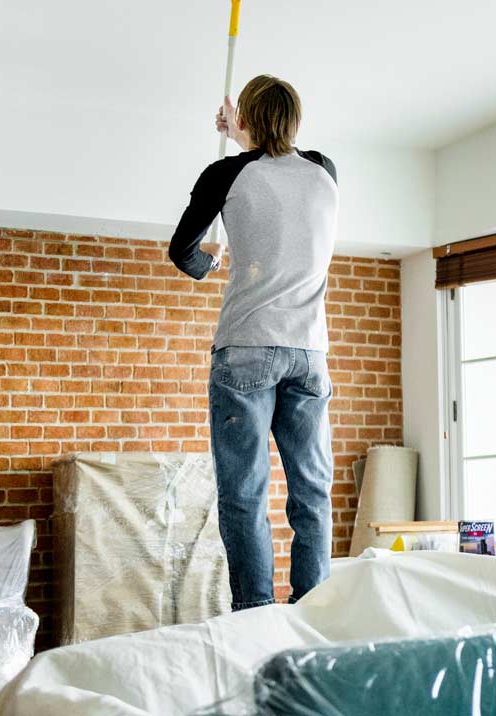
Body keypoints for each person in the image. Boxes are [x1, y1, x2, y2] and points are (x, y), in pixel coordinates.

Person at [168, 74, 339, 610]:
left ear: (247, 117)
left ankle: (256, 615)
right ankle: (314, 611)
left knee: (245, 495)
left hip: (246, 346)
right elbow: (279, 179)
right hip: (310, 352)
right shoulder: (324, 171)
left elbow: (183, 251)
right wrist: (245, 131)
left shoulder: (226, 172)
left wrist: (209, 262)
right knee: (311, 494)